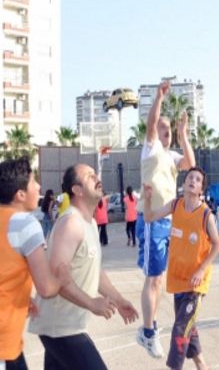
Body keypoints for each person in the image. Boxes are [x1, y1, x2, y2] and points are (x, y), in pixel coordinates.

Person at [29, 164, 139, 369]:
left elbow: (95, 271)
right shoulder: (71, 223)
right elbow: (55, 277)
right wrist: (91, 303)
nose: (97, 178)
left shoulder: (89, 223)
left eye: (95, 174)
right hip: (61, 328)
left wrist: (119, 300)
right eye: (89, 176)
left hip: (63, 327)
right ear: (77, 190)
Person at [136, 80, 196, 359]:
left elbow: (190, 165)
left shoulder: (171, 156)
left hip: (167, 222)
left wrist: (183, 134)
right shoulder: (151, 149)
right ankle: (148, 332)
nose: (166, 133)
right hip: (151, 220)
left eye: (169, 130)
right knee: (153, 278)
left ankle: (149, 328)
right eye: (164, 129)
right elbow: (150, 125)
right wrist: (158, 97)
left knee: (159, 279)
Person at [143, 167, 219, 370]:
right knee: (189, 330)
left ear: (200, 188)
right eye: (189, 178)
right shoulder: (176, 205)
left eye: (197, 179)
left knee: (180, 330)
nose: (192, 181)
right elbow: (149, 217)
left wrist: (201, 269)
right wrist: (149, 198)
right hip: (179, 281)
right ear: (184, 182)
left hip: (196, 285)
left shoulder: (206, 215)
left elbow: (217, 244)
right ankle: (202, 365)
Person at [0, 158, 69, 370]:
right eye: (33, 182)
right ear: (20, 195)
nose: (39, 187)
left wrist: (19, 293)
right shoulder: (24, 223)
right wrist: (61, 279)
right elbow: (47, 288)